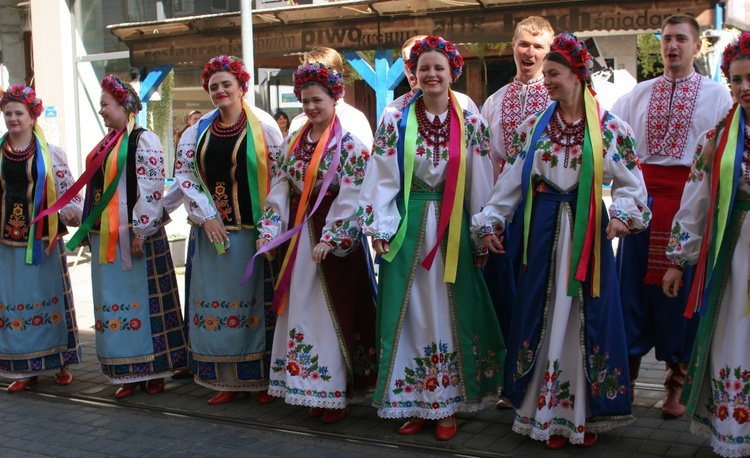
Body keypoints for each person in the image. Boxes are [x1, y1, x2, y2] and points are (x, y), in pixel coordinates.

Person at [473, 33, 649, 448]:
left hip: (588, 228)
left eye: (554, 73)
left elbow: (631, 185)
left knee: (588, 315)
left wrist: (623, 216)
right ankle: (545, 409)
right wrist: (492, 220)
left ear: (577, 75)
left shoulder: (608, 126)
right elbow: (512, 181)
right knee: (543, 310)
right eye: (546, 74)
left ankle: (583, 412)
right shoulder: (535, 127)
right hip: (543, 229)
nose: (547, 80)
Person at [358, 35, 504, 441]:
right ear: (414, 74)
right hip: (409, 228)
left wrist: (481, 231)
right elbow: (381, 175)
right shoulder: (396, 119)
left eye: (439, 67)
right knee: (412, 315)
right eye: (424, 68)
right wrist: (380, 228)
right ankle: (414, 400)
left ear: (452, 71)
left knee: (449, 311)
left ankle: (448, 404)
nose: (431, 74)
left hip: (453, 226)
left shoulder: (470, 120)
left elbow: (481, 178)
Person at [610, 14, 733, 418]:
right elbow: (614, 143)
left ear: (697, 46)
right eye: (666, 39)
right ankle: (622, 378)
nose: (672, 46)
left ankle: (675, 382)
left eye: (681, 39)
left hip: (687, 209)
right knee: (629, 293)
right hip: (641, 208)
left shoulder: (718, 96)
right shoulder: (637, 95)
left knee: (679, 298)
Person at [256, 62, 377, 424]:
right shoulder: (294, 141)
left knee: (329, 314)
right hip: (297, 238)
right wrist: (271, 228)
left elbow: (355, 193)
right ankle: (307, 386)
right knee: (301, 313)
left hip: (328, 243)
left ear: (334, 98)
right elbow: (280, 185)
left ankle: (334, 392)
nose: (310, 107)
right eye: (304, 100)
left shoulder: (351, 146)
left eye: (317, 100)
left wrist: (333, 236)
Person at [65, 74, 188, 399]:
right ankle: (128, 370)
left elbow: (151, 188)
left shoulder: (142, 139)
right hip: (106, 237)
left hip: (135, 237)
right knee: (116, 304)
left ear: (124, 106)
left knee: (147, 302)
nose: (102, 110)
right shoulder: (107, 143)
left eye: (106, 104)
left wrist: (141, 230)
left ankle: (156, 371)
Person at [173, 55, 283, 405]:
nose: (220, 91)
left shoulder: (264, 129)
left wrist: (271, 227)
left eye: (226, 85)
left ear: (241, 88)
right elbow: (186, 176)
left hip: (252, 233)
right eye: (213, 86)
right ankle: (225, 380)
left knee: (255, 303)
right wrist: (205, 216)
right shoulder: (197, 131)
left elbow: (279, 180)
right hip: (212, 236)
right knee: (216, 305)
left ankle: (263, 380)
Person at [662, 32, 750, 457]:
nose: (744, 87)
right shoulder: (716, 140)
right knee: (733, 331)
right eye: (736, 80)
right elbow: (695, 201)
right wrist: (679, 260)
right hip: (733, 251)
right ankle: (736, 427)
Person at [478, 18, 554, 401]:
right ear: (512, 46)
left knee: (539, 291)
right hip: (504, 210)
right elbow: (488, 158)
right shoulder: (493, 101)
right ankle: (509, 377)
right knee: (505, 294)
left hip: (544, 207)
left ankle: (538, 378)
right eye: (524, 44)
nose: (530, 53)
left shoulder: (560, 95)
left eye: (538, 47)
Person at [0, 85, 82, 392]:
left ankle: (60, 361)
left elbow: (68, 191)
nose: (12, 118)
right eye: (8, 113)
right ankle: (23, 368)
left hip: (44, 240)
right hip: (8, 241)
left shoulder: (50, 153)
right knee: (14, 302)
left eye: (18, 113)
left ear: (33, 116)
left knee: (51, 296)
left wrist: (73, 214)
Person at [379, 35, 479, 122]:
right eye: (407, 62)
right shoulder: (392, 112)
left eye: (438, 67)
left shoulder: (464, 104)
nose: (411, 68)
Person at [288, 46, 373, 148]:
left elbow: (364, 159)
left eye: (320, 75)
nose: (312, 79)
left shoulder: (354, 119)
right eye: (307, 73)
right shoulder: (298, 122)